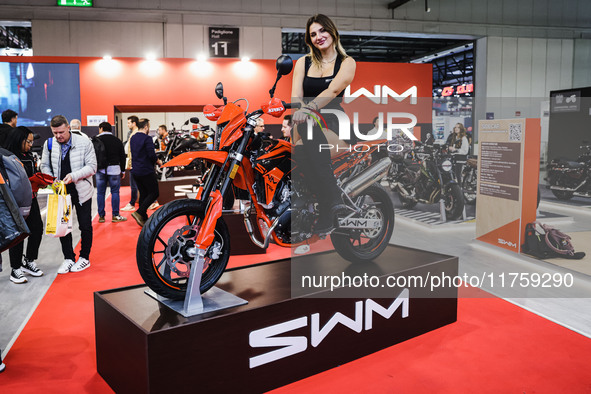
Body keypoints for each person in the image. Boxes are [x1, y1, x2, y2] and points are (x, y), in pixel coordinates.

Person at [290, 14, 356, 233]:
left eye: (322, 31)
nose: (319, 36)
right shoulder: (302, 62)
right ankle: (323, 203)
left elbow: (333, 90)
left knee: (306, 130)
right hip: (305, 122)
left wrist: (309, 109)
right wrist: (301, 110)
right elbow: (296, 95)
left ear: (332, 31)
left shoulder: (347, 63)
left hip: (333, 122)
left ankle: (332, 200)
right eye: (313, 34)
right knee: (298, 151)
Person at [41, 115, 96, 274]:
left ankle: (84, 257)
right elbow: (44, 165)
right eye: (55, 132)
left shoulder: (84, 142)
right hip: (60, 191)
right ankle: (68, 258)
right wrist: (52, 180)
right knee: (63, 226)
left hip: (81, 189)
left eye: (61, 132)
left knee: (85, 224)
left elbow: (92, 167)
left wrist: (74, 176)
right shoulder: (49, 144)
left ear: (68, 128)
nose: (58, 136)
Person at [3, 127, 47, 283]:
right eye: (28, 141)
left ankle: (29, 260)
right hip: (14, 202)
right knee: (19, 233)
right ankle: (15, 268)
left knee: (37, 229)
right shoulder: (6, 157)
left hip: (32, 199)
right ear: (18, 139)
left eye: (32, 141)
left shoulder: (29, 155)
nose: (30, 145)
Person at [129, 118, 162, 227]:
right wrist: (158, 161)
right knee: (154, 192)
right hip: (146, 170)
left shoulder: (133, 138)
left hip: (135, 171)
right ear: (146, 127)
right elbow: (151, 155)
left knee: (143, 193)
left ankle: (143, 217)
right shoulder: (147, 138)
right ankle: (139, 212)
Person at [95, 122, 127, 223]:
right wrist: (122, 170)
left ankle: (101, 216)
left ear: (101, 129)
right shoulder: (117, 140)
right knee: (115, 192)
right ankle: (115, 215)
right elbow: (123, 157)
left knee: (100, 193)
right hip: (114, 169)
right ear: (110, 130)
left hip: (100, 170)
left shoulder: (96, 140)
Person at [121, 115, 139, 211]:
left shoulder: (135, 134)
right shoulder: (132, 133)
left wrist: (131, 163)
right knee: (135, 184)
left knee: (134, 185)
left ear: (134, 123)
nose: (127, 124)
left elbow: (134, 150)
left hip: (134, 163)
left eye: (129, 123)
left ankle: (132, 203)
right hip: (133, 162)